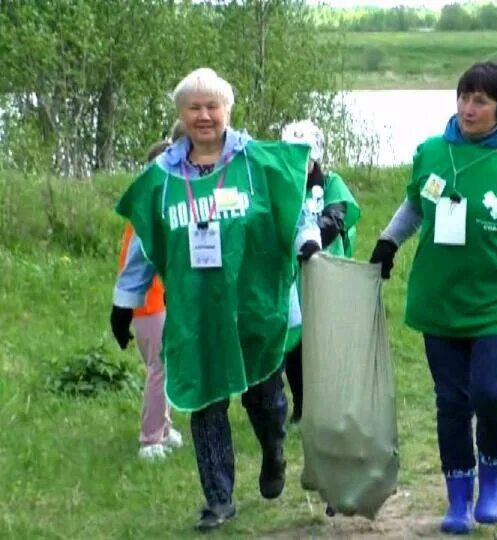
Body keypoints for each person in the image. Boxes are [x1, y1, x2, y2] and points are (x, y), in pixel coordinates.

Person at [369, 61, 497, 534]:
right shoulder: (432, 152)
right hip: (438, 303)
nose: (468, 108)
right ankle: (458, 497)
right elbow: (414, 206)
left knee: (489, 391)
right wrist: (387, 242)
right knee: (451, 401)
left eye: (481, 100)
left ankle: (494, 476)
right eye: (463, 97)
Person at [108, 67, 313, 531]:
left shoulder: (258, 163)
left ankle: (274, 448)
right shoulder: (160, 177)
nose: (204, 116)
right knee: (206, 402)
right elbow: (144, 241)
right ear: (181, 114)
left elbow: (296, 212)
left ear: (228, 110)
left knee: (264, 397)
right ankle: (218, 499)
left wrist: (308, 243)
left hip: (254, 307)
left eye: (212, 106)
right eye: (194, 107)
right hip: (196, 314)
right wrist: (125, 300)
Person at [280, 119, 360, 425]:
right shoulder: (280, 186)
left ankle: (334, 404)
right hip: (290, 277)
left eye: (306, 155)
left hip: (325, 272)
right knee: (295, 342)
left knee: (328, 340)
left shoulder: (332, 184)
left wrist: (312, 237)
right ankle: (302, 407)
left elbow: (336, 218)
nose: (301, 162)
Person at [116, 139, 182, 461]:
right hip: (149, 304)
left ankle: (164, 428)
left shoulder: (155, 204)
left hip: (156, 303)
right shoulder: (149, 208)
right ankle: (150, 438)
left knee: (164, 366)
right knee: (159, 368)